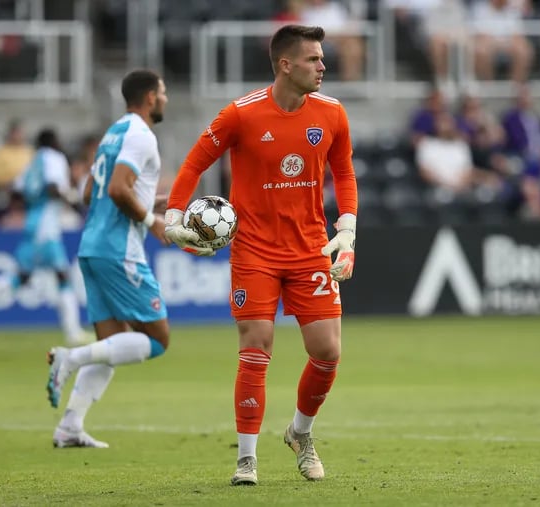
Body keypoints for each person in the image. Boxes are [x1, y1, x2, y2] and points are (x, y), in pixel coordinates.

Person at [163, 25, 358, 486]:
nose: (322, 66)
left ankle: (300, 433)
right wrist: (174, 217)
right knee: (255, 348)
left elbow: (345, 172)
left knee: (327, 353)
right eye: (313, 59)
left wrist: (346, 230)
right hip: (254, 252)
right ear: (285, 65)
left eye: (322, 58)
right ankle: (245, 459)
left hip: (311, 248)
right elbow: (194, 162)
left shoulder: (332, 114)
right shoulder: (241, 115)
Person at [44, 69, 172, 449]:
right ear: (150, 97)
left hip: (92, 246)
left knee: (113, 343)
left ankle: (70, 426)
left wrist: (155, 202)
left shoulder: (114, 132)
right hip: (119, 250)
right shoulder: (141, 135)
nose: (166, 98)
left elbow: (89, 192)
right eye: (162, 92)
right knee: (158, 340)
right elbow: (117, 188)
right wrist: (151, 221)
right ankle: (70, 357)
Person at [0, 128, 88, 346]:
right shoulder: (53, 158)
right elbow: (53, 186)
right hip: (46, 227)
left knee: (20, 278)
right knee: (62, 275)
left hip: (33, 222)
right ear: (53, 141)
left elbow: (15, 190)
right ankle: (73, 333)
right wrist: (74, 205)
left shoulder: (33, 162)